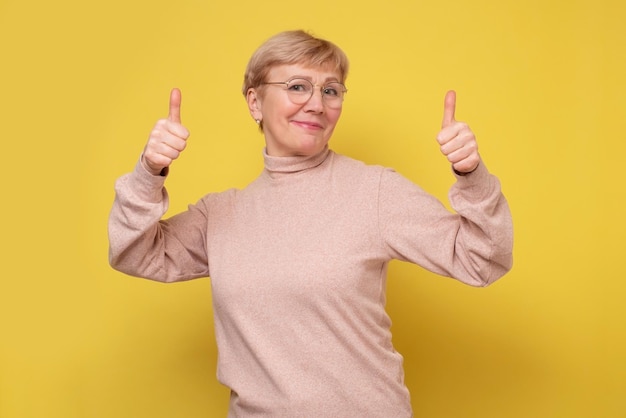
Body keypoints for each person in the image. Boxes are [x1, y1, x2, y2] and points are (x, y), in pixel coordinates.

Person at [108, 30, 513, 417]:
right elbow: (132, 253)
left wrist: (471, 173)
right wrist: (149, 170)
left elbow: (483, 260)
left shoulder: (373, 192)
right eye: (298, 86)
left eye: (330, 90)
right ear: (254, 102)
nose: (317, 104)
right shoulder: (220, 215)